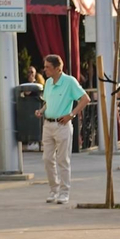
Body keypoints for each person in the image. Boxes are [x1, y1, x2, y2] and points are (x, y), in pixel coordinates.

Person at [36, 54, 87, 205]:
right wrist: (41, 110)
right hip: (48, 124)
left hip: (62, 125)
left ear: (58, 68)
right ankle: (53, 190)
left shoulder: (69, 81)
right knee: (47, 159)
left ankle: (64, 192)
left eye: (48, 67)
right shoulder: (48, 82)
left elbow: (85, 99)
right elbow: (47, 102)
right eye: (44, 67)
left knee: (63, 160)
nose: (45, 70)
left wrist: (71, 114)